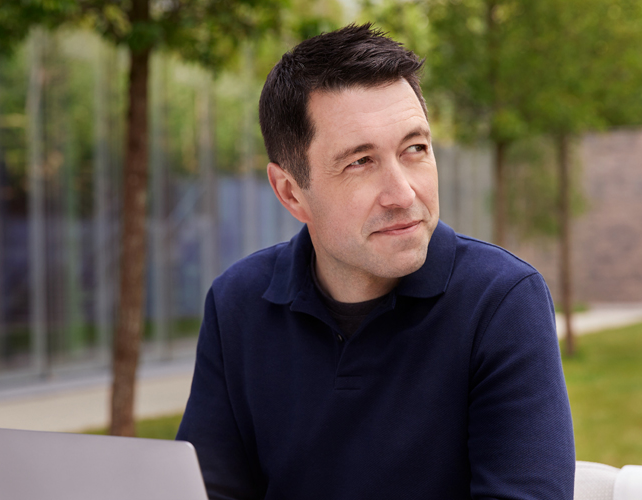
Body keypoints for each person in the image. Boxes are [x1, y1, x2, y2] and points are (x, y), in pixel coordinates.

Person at [175, 24, 575, 499]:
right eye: (360, 162)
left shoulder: (502, 302)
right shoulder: (236, 302)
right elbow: (205, 492)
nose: (403, 193)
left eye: (415, 149)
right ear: (290, 192)